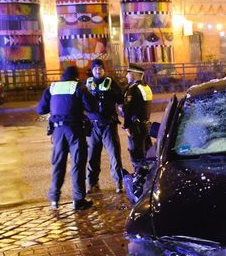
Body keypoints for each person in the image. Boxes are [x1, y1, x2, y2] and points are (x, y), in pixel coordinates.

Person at [36, 65, 93, 211]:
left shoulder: (53, 87)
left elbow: (40, 109)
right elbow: (91, 107)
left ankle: (54, 199)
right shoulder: (78, 87)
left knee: (58, 164)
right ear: (76, 76)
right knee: (78, 164)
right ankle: (78, 200)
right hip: (74, 130)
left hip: (57, 131)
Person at [85, 58, 126, 194]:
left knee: (114, 154)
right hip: (93, 126)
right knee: (92, 156)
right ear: (92, 71)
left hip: (108, 124)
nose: (98, 70)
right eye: (95, 68)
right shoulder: (87, 84)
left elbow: (121, 100)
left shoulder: (111, 83)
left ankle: (118, 183)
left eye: (100, 68)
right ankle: (92, 184)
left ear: (104, 70)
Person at [122, 63, 154, 168]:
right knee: (148, 153)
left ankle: (139, 178)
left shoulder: (132, 89)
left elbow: (128, 109)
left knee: (136, 155)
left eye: (128, 73)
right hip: (146, 125)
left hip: (135, 127)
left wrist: (126, 126)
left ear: (135, 74)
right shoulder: (146, 87)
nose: (126, 76)